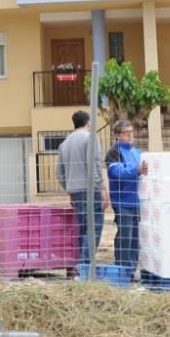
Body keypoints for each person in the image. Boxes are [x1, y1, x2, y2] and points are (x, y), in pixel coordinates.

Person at [57, 110, 109, 266]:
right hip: (90, 190)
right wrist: (102, 188)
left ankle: (79, 266)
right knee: (94, 229)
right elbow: (94, 165)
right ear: (88, 123)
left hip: (75, 191)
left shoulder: (64, 143)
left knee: (82, 230)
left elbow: (59, 172)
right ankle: (86, 267)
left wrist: (69, 188)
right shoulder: (90, 138)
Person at [105, 119, 148, 271]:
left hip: (138, 201)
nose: (130, 135)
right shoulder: (114, 152)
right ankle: (123, 270)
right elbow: (116, 172)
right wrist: (136, 171)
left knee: (136, 239)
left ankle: (132, 269)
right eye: (126, 133)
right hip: (123, 202)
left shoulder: (137, 152)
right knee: (125, 237)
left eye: (131, 132)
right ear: (117, 135)